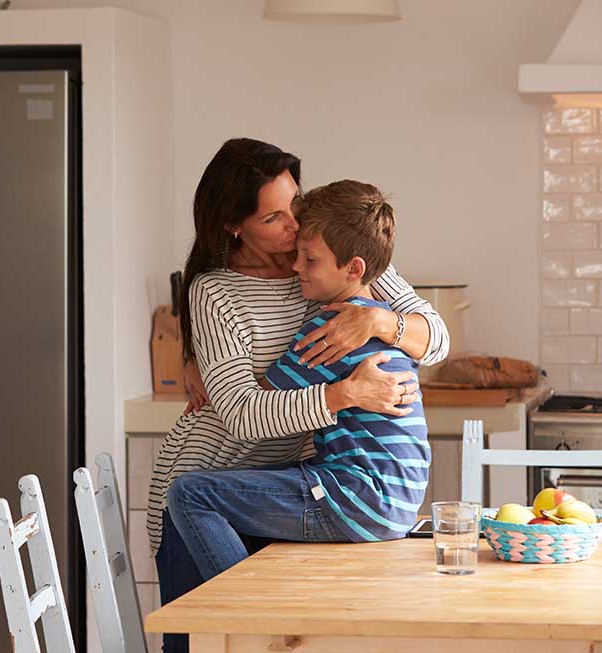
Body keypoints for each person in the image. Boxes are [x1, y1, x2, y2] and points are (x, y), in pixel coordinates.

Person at [149, 138, 448, 653]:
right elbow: (242, 416)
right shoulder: (217, 292)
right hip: (215, 474)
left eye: (296, 204)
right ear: (232, 226)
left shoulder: (333, 254)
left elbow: (439, 339)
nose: (294, 227)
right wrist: (343, 395)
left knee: (268, 652)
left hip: (290, 479)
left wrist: (381, 323)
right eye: (273, 218)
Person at [166, 179, 429, 581]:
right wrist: (198, 356)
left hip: (355, 496)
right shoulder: (367, 307)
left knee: (190, 494)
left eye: (308, 259)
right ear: (233, 225)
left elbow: (259, 402)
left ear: (355, 269)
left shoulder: (332, 330)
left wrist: (214, 370)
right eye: (274, 217)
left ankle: (242, 617)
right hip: (393, 499)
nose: (295, 266)